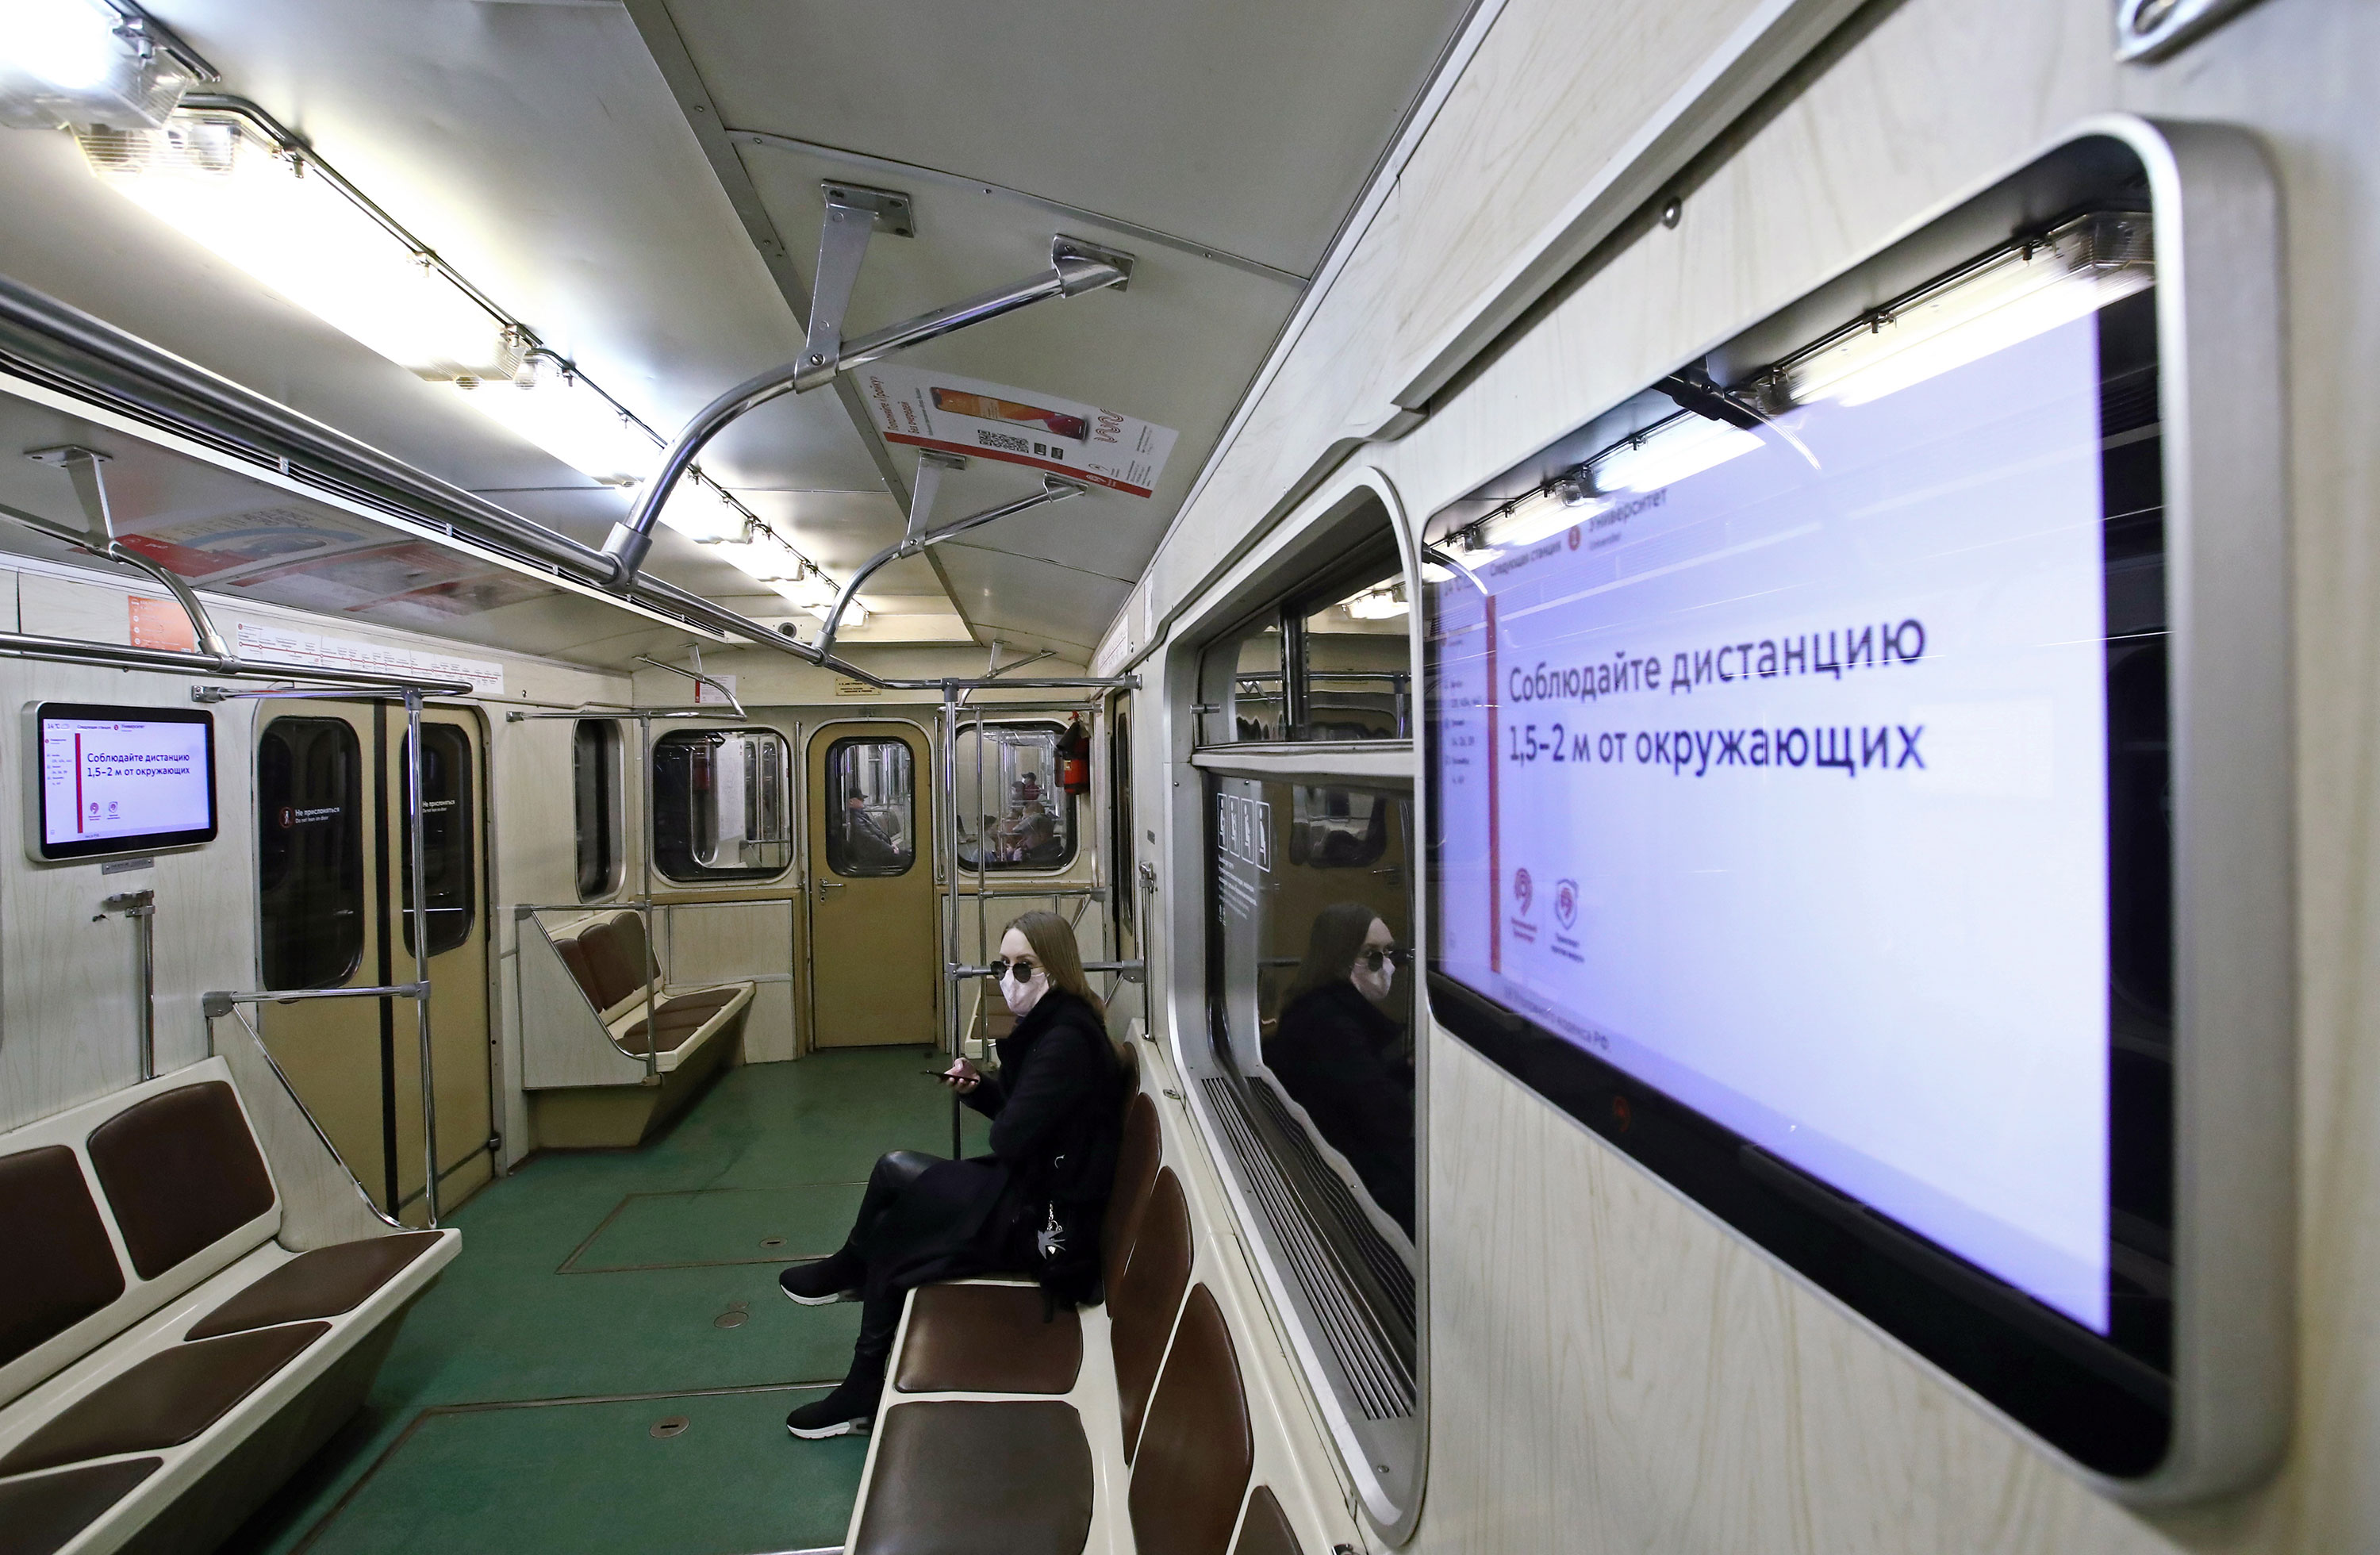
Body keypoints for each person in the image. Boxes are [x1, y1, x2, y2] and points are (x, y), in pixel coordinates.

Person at [777, 911, 1125, 1438]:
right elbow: (1025, 1115)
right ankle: (851, 1269)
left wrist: (1004, 1099)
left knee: (900, 1233)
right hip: (1033, 1187)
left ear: (1054, 968)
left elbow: (1009, 1136)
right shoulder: (1057, 1024)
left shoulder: (1065, 1042)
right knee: (894, 1171)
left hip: (1049, 1225)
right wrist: (979, 1088)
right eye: (1002, 965)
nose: (1011, 978)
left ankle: (861, 1389)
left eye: (1024, 967)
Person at [1264, 901, 1416, 1234]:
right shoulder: (1331, 1025)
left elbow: (1354, 1089)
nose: (1386, 966)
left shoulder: (1317, 1006)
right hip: (1346, 1183)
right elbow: (1388, 1117)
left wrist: (1405, 1069)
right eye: (1372, 954)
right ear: (1339, 957)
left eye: (1390, 953)